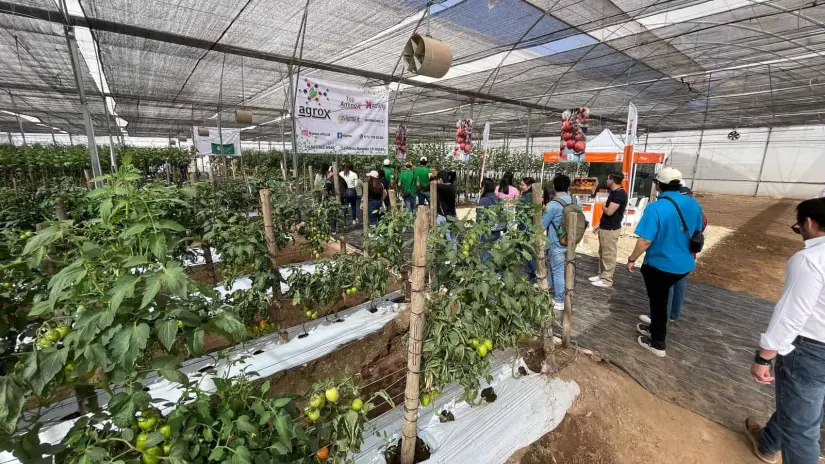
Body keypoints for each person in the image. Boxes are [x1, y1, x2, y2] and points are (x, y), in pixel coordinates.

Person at [744, 198, 825, 464]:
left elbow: (792, 314)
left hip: (812, 350)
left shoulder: (811, 259)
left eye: (798, 225)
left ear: (810, 223)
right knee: (803, 406)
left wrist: (764, 356)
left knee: (801, 431)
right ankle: (767, 444)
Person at [626, 167, 704, 358]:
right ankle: (655, 328)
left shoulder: (655, 207)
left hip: (660, 265)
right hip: (684, 263)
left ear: (659, 185)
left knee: (659, 303)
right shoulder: (693, 204)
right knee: (662, 300)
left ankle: (658, 343)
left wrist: (631, 259)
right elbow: (698, 229)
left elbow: (645, 240)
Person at [542, 175, 576, 312]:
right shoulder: (575, 201)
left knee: (557, 271)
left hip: (556, 243)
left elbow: (541, 226)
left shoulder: (553, 205)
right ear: (568, 186)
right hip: (571, 242)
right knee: (565, 269)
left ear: (554, 186)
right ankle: (554, 288)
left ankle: (560, 300)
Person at [590, 171, 628, 288]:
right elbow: (606, 214)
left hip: (611, 228)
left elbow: (609, 212)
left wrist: (602, 206)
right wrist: (599, 223)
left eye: (607, 178)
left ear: (611, 179)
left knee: (609, 254)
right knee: (602, 252)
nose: (606, 180)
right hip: (605, 226)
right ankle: (602, 274)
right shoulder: (614, 192)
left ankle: (607, 279)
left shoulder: (620, 194)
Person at [477, 178, 502, 262]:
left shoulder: (484, 200)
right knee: (495, 253)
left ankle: (488, 273)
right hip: (497, 230)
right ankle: (496, 272)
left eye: (481, 187)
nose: (481, 189)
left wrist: (477, 231)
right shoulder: (499, 199)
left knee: (485, 255)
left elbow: (480, 218)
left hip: (486, 231)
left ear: (484, 187)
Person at [518, 177, 537, 280]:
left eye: (522, 185)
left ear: (529, 186)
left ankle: (534, 271)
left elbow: (524, 212)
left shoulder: (528, 196)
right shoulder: (529, 195)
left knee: (526, 250)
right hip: (526, 226)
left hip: (525, 227)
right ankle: (532, 271)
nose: (520, 187)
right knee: (526, 250)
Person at [436, 171, 457, 243]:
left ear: (440, 179)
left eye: (437, 180)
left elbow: (434, 185)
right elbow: (453, 174)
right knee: (452, 238)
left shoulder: (445, 188)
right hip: (452, 215)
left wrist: (430, 179)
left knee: (447, 239)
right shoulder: (450, 186)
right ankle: (453, 253)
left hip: (444, 216)